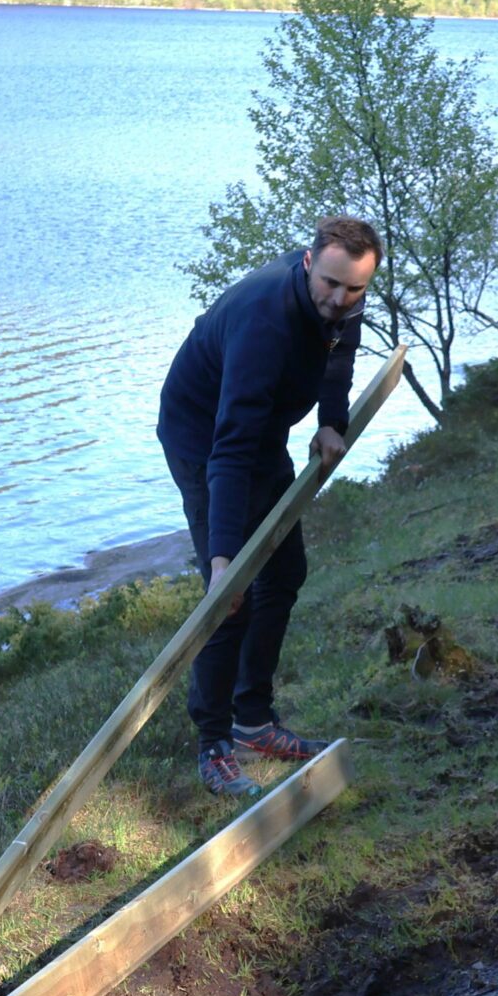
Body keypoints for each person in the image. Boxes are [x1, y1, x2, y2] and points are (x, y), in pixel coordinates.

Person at [156, 214, 379, 797]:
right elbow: (230, 450)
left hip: (261, 428)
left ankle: (252, 719)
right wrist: (223, 562)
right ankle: (213, 745)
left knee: (284, 571)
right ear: (309, 263)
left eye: (353, 288)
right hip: (205, 436)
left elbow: (339, 355)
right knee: (230, 599)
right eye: (330, 283)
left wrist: (333, 420)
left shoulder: (345, 301)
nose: (339, 299)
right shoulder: (264, 323)